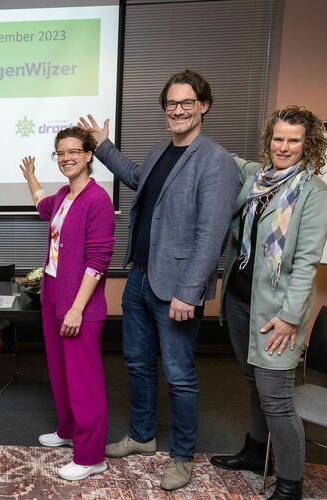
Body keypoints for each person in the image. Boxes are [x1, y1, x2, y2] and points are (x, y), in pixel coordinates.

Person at [78, 69, 238, 490]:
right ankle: (142, 435)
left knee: (179, 375)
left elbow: (211, 235)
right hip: (141, 279)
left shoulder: (216, 161)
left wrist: (189, 293)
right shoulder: (159, 151)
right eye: (171, 103)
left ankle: (182, 457)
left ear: (204, 106)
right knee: (137, 363)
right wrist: (103, 146)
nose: (178, 110)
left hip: (177, 290)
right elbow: (135, 178)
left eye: (186, 102)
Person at [210, 106, 327, 500]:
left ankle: (290, 485)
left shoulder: (317, 195)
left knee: (277, 399)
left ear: (308, 145)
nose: (283, 147)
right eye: (278, 138)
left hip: (276, 314)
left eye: (293, 140)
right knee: (254, 382)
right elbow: (223, 158)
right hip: (239, 299)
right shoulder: (257, 177)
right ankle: (254, 451)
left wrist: (290, 318)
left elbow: (306, 263)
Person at [19, 127, 115, 481]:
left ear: (89, 155)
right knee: (61, 372)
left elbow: (98, 260)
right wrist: (31, 177)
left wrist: (77, 308)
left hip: (80, 303)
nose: (66, 158)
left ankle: (91, 457)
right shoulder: (63, 195)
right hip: (54, 295)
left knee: (84, 381)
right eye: (60, 153)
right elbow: (42, 205)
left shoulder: (98, 199)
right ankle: (69, 430)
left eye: (74, 151)